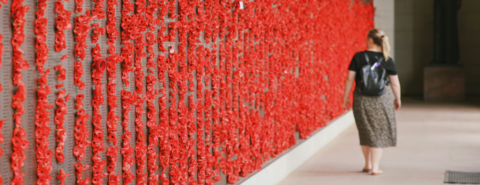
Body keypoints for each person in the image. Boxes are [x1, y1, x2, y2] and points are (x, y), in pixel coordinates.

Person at [342, 29, 401, 176]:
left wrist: (345, 97)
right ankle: (375, 167)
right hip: (382, 99)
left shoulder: (358, 57)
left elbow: (350, 78)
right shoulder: (387, 59)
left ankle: (367, 164)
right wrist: (398, 98)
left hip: (361, 98)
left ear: (369, 40)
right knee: (378, 133)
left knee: (365, 130)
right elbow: (394, 83)